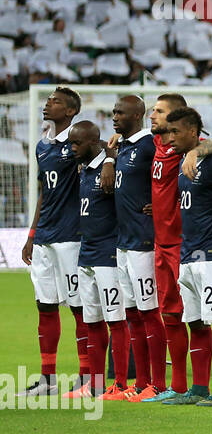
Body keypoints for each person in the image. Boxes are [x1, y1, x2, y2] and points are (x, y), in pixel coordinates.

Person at [161, 107, 212, 405]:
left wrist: (198, 151)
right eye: (168, 131)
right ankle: (199, 388)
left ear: (193, 131)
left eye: (175, 132)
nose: (170, 138)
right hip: (188, 253)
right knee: (196, 322)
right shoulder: (181, 162)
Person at [22, 86, 85, 396]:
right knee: (45, 306)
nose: (48, 105)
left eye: (55, 102)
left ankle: (87, 377)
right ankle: (48, 380)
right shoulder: (42, 147)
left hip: (72, 238)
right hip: (45, 237)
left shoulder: (81, 144)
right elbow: (45, 194)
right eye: (47, 101)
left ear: (71, 111)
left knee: (79, 308)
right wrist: (31, 235)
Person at [100, 95, 161, 401]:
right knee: (133, 314)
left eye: (120, 112)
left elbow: (172, 171)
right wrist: (110, 157)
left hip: (144, 242)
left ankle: (158, 383)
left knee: (150, 314)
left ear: (138, 115)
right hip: (124, 243)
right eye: (113, 112)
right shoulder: (122, 148)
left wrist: (163, 203)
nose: (114, 117)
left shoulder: (150, 144)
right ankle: (141, 382)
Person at [67, 120, 123, 399]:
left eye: (76, 143)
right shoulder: (86, 170)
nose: (71, 148)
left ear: (91, 142)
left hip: (108, 255)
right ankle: (96, 384)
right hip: (86, 253)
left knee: (116, 320)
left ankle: (121, 383)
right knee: (92, 321)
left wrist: (110, 161)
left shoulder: (111, 169)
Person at [146, 93, 188, 401]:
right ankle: (178, 386)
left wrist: (198, 151)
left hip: (184, 244)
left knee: (201, 317)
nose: (152, 115)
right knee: (169, 314)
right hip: (162, 241)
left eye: (159, 111)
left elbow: (211, 143)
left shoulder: (189, 148)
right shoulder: (159, 146)